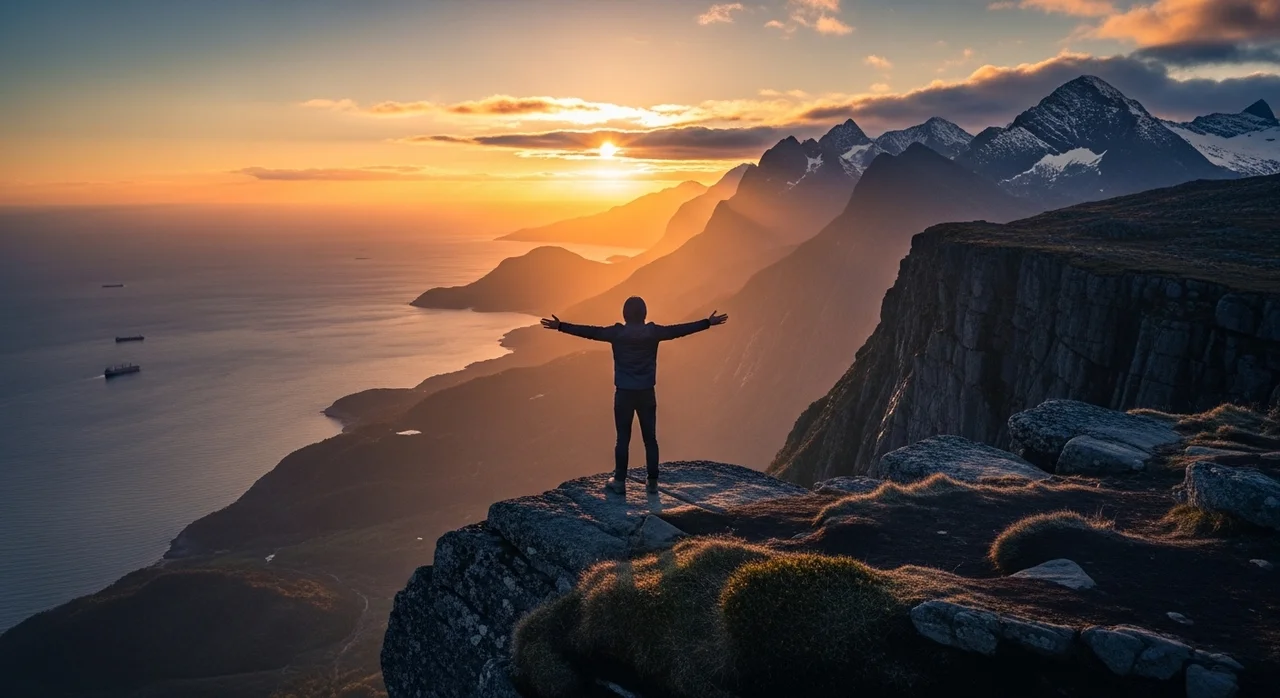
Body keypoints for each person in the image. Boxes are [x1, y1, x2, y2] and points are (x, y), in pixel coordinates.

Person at [541, 296, 727, 495]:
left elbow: (591, 332)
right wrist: (707, 323)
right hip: (647, 393)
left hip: (624, 394)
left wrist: (561, 326)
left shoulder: (617, 333)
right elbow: (679, 330)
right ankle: (652, 482)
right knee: (650, 439)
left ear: (625, 314)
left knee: (623, 439)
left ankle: (619, 482)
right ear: (644, 314)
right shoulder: (653, 332)